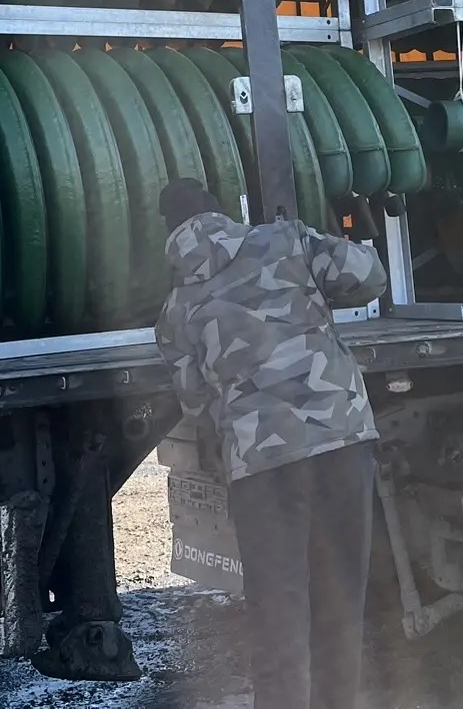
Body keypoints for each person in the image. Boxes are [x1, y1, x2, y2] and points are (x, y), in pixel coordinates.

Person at [154, 176, 389, 709]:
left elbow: (196, 404)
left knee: (277, 613)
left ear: (170, 233)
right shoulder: (287, 240)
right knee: (340, 601)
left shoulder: (175, 311)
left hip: (260, 464)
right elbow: (370, 277)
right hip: (340, 439)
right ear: (221, 212)